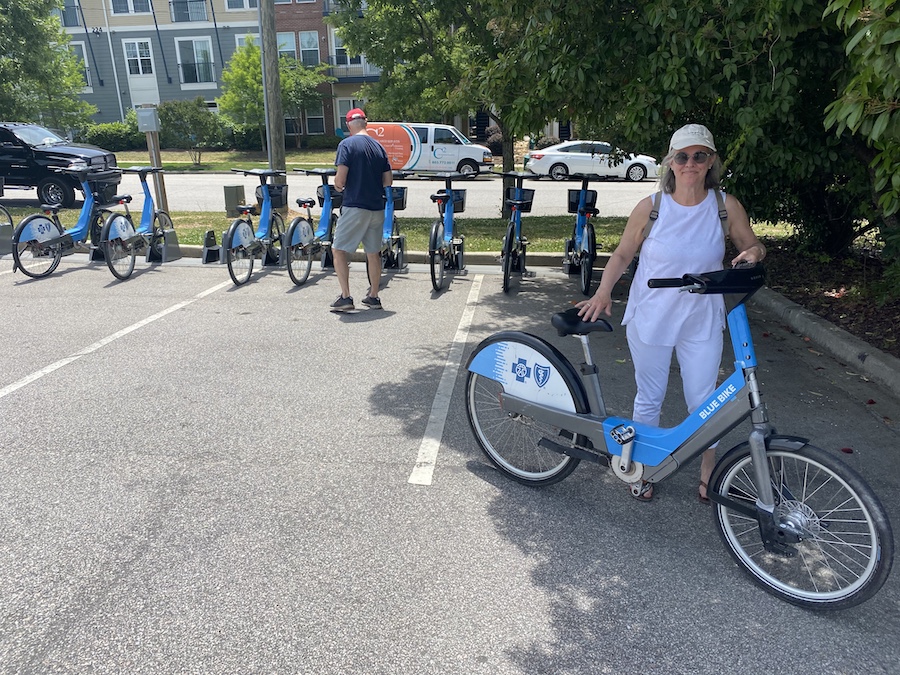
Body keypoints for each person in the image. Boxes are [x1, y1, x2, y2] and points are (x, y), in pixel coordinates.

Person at [576, 124, 766, 503]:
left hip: (702, 319)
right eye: (682, 156)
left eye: (700, 155)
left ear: (711, 160)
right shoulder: (652, 207)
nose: (691, 163)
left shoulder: (725, 206)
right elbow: (623, 254)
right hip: (653, 316)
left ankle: (708, 472)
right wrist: (602, 292)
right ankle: (642, 469)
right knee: (650, 396)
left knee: (704, 400)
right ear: (671, 163)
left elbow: (753, 245)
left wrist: (754, 254)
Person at [329, 108, 393, 312]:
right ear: (365, 123)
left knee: (338, 250)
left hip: (355, 205)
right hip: (377, 207)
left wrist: (339, 185)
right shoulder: (379, 147)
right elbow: (388, 180)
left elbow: (340, 179)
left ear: (349, 125)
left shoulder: (346, 144)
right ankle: (374, 296)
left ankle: (346, 297)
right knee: (373, 253)